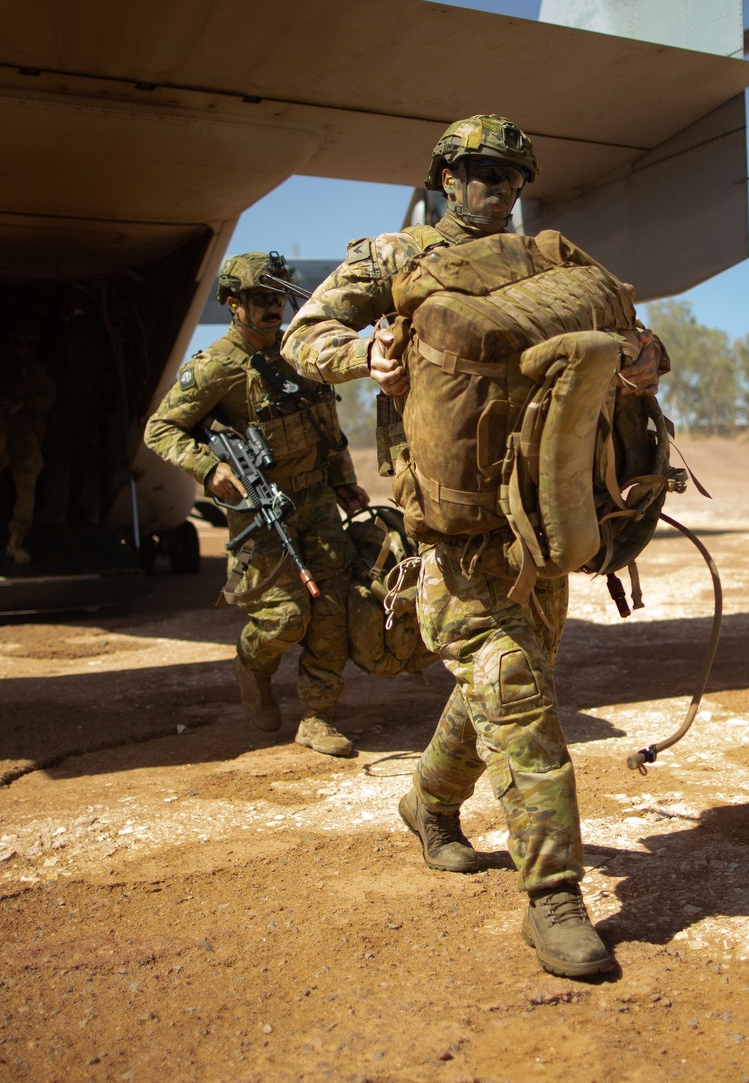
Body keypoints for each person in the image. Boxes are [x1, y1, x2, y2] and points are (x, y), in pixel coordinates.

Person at [282, 117, 664, 977]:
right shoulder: (392, 258)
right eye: (479, 171)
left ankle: (426, 803)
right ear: (446, 177)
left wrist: (643, 358)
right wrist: (366, 349)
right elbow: (303, 340)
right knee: (516, 692)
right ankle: (555, 897)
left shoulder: (554, 266)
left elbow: (641, 346)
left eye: (511, 175)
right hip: (451, 543)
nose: (496, 186)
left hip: (545, 532)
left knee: (502, 685)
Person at [145, 252, 369, 756]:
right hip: (264, 509)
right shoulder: (216, 367)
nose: (272, 308)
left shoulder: (298, 350)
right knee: (284, 618)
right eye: (258, 299)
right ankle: (253, 665)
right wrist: (208, 468)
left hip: (317, 500)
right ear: (231, 304)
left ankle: (317, 717)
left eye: (276, 297)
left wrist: (343, 480)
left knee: (332, 609)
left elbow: (324, 425)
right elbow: (160, 428)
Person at [0, 321, 56, 565]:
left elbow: (48, 399)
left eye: (29, 345)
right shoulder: (5, 367)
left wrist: (23, 405)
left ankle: (16, 540)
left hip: (24, 433)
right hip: (4, 428)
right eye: (18, 344)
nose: (23, 349)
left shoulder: (38, 370)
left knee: (26, 485)